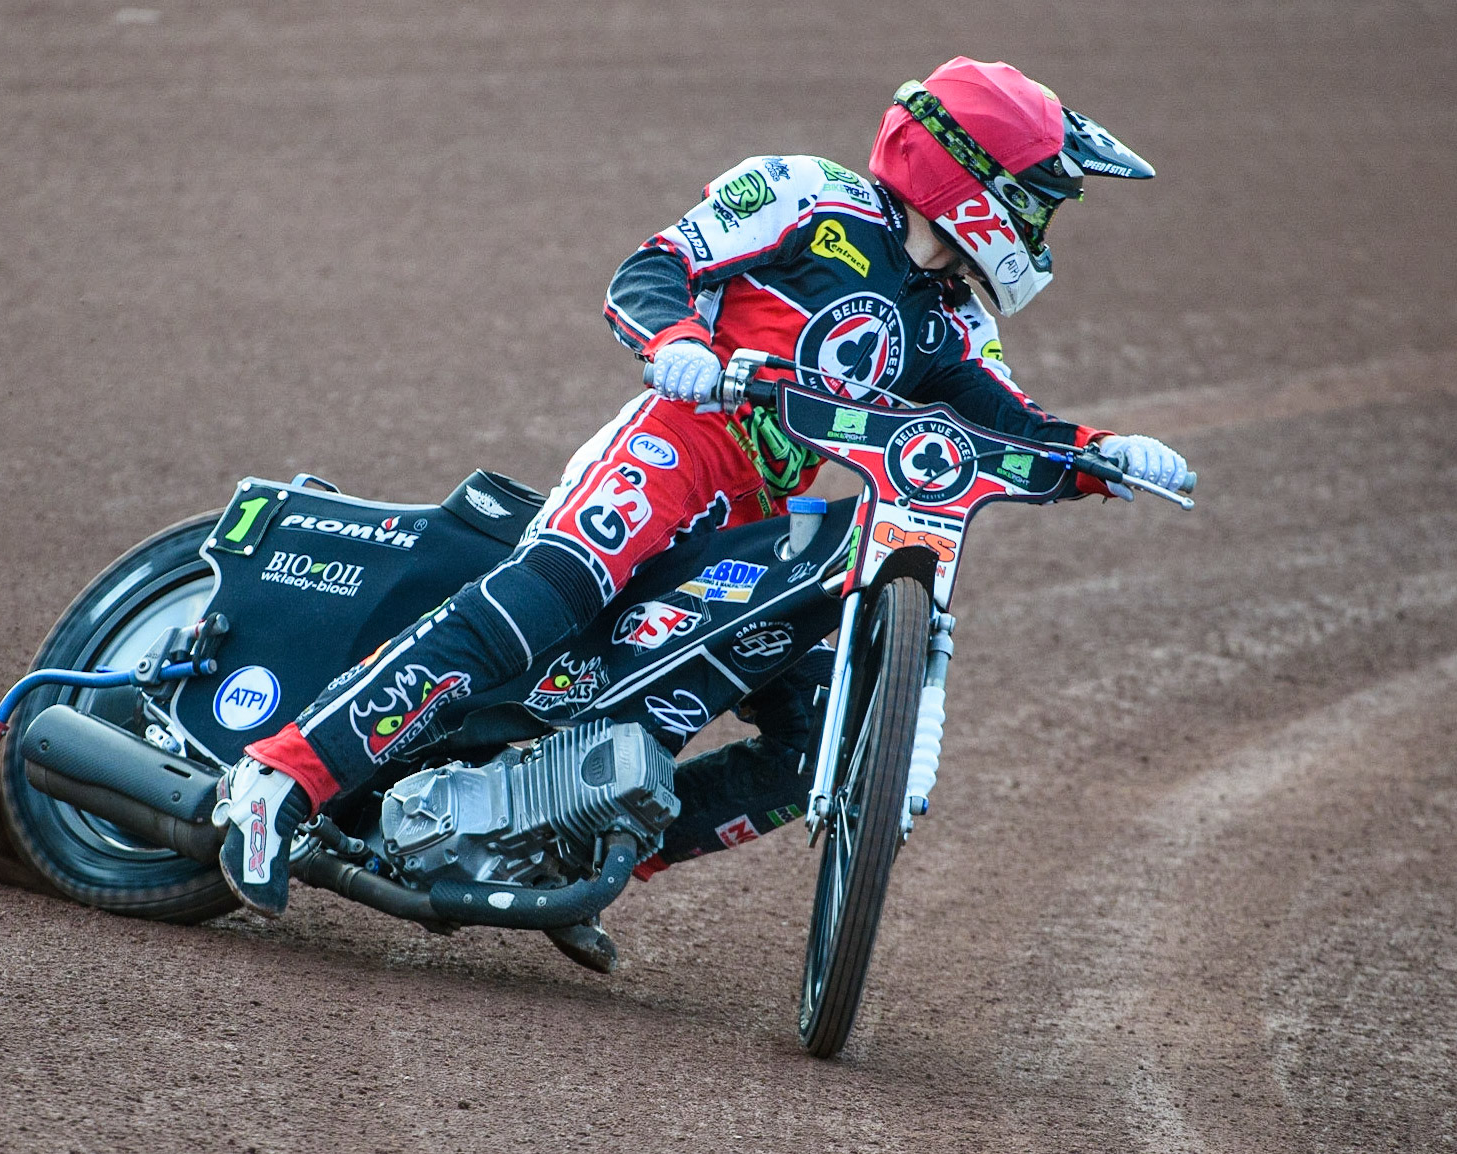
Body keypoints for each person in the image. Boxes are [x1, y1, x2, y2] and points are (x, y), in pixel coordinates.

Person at [210, 57, 1190, 932]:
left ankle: (569, 848)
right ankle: (275, 780)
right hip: (673, 450)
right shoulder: (804, 195)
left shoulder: (952, 324)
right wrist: (675, 344)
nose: (1040, 229)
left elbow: (1009, 429)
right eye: (1038, 201)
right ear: (979, 180)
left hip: (756, 524)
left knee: (818, 737)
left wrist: (1107, 455)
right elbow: (652, 268)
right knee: (539, 602)